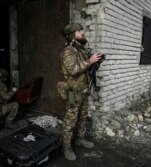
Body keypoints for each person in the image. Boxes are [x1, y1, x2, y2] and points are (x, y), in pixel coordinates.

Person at [59, 23, 102, 161]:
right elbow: (73, 70)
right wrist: (89, 61)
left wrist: (95, 62)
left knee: (83, 116)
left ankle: (80, 139)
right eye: (78, 31)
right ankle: (66, 146)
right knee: (71, 118)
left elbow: (86, 69)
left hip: (83, 90)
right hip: (72, 91)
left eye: (81, 30)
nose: (82, 32)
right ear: (72, 35)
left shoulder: (81, 50)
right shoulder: (68, 51)